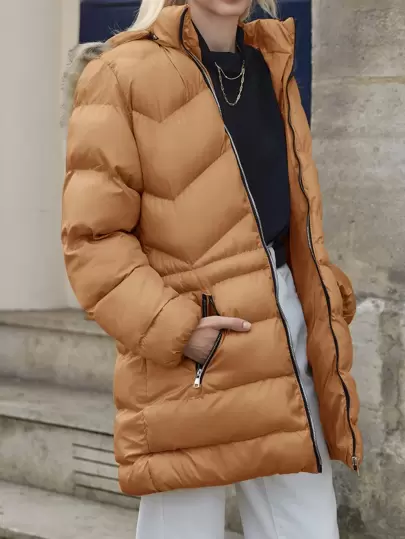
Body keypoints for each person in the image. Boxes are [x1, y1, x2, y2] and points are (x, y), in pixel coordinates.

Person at [62, 0, 362, 537]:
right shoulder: (120, 73)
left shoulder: (270, 61)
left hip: (282, 337)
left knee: (308, 526)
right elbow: (93, 239)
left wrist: (322, 294)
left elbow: (282, 218)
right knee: (182, 527)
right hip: (190, 352)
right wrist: (179, 330)